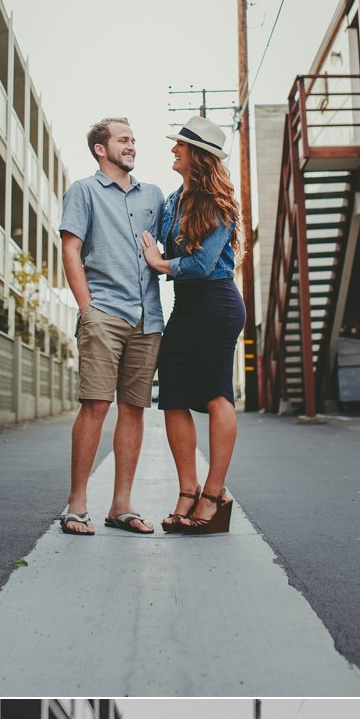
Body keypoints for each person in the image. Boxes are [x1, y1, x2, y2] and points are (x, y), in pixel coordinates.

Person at [140, 116, 245, 535]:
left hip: (217, 302)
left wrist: (160, 263)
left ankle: (214, 495)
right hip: (185, 306)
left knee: (217, 395)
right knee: (173, 396)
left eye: (180, 145)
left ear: (197, 155)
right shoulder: (172, 201)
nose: (173, 149)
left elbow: (201, 265)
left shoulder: (217, 204)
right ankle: (188, 490)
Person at [59, 117, 164, 535]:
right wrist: (87, 308)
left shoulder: (153, 195)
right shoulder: (83, 191)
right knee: (97, 404)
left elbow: (172, 243)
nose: (132, 145)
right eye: (123, 140)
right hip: (104, 311)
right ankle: (76, 504)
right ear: (100, 149)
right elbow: (71, 249)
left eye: (134, 139)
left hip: (147, 316)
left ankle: (121, 506)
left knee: (134, 409)